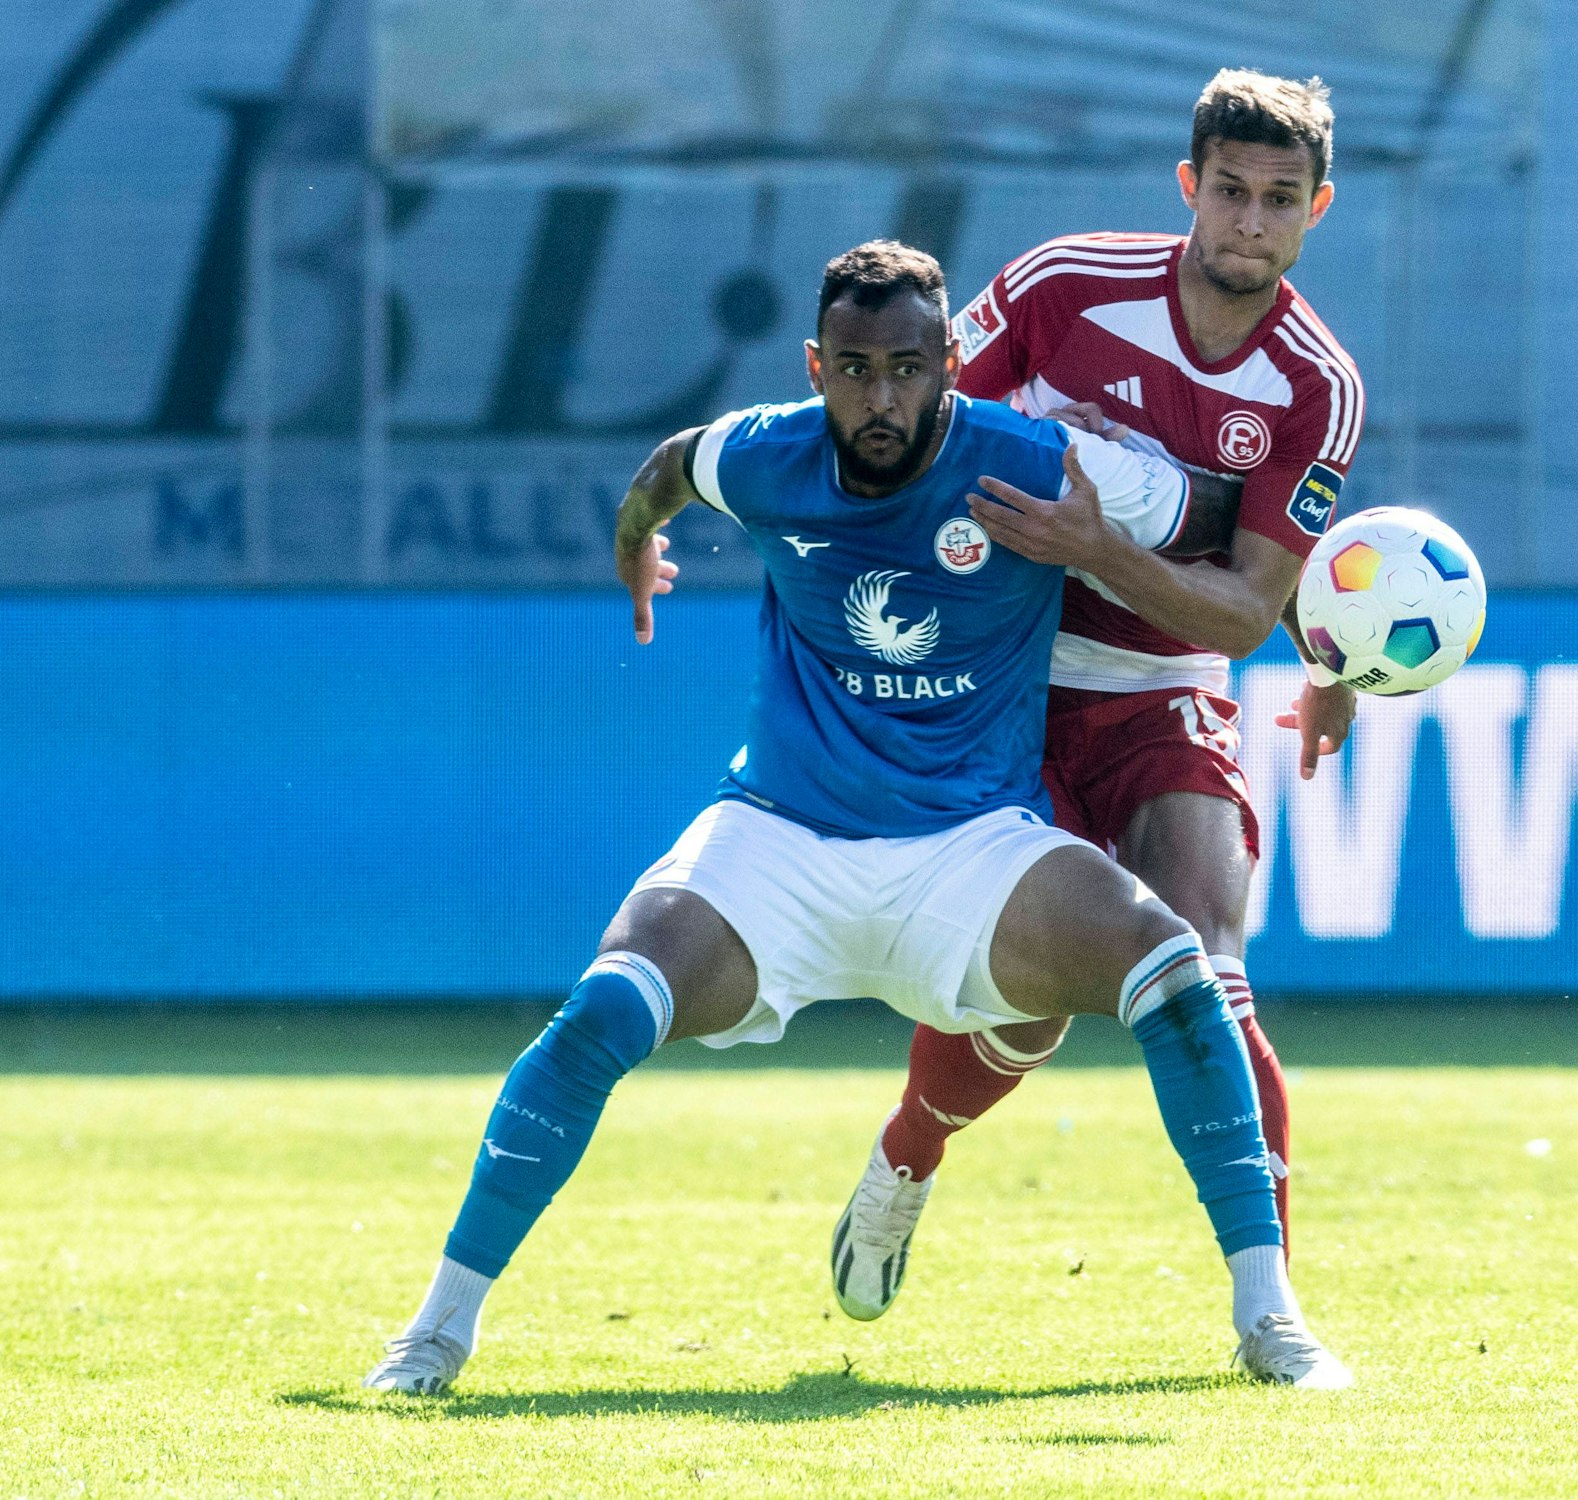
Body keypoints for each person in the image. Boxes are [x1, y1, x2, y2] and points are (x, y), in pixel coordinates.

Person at [360, 240, 1351, 1396]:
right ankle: (434, 1332)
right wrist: (635, 545)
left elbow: (1239, 524)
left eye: (907, 369)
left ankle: (1267, 1317)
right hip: (777, 839)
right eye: (854, 368)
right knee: (603, 1009)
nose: (881, 399)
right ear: (815, 365)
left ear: (950, 364)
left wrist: (1326, 640)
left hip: (970, 853)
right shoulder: (767, 452)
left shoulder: (1039, 463)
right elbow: (670, 467)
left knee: (1174, 972)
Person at [832, 69, 1366, 1316]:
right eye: (1227, 192)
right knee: (1021, 1013)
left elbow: (1237, 612)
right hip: (1001, 682)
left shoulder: (1310, 386)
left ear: (1314, 210)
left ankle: (1268, 1305)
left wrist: (1299, 637)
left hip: (1158, 682)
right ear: (1188, 187)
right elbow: (914, 420)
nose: (1248, 221)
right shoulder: (1067, 285)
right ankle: (908, 1152)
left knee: (1207, 963)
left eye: (1277, 200)